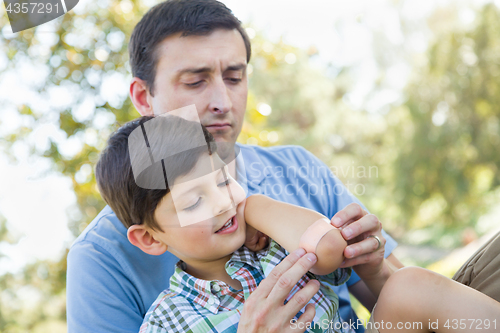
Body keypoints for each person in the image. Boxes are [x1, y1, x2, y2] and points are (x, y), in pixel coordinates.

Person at [65, 0, 500, 332]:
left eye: (234, 77)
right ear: (143, 99)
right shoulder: (101, 259)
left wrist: (372, 267)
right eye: (195, 81)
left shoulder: (293, 168)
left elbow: (408, 304)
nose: (221, 101)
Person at [94, 115, 500, 333]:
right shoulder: (168, 321)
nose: (222, 203)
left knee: (410, 285)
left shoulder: (272, 242)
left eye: (223, 180)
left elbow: (330, 250)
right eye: (196, 200)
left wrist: (254, 207)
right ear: (149, 239)